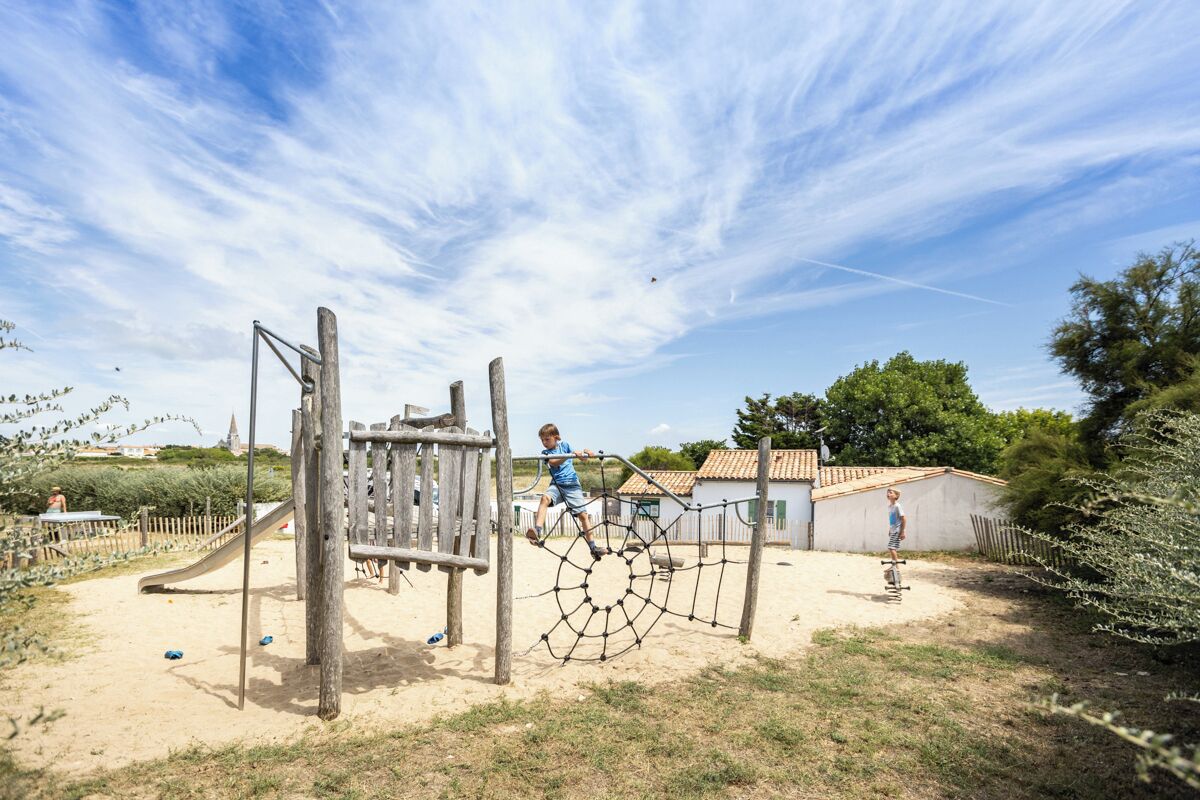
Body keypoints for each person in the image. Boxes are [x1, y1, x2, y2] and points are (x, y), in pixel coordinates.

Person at [526, 423, 607, 560]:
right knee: (545, 498)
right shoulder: (545, 453)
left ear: (556, 437)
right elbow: (553, 462)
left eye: (547, 439)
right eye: (542, 440)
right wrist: (569, 455)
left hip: (572, 485)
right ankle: (537, 531)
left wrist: (586, 453)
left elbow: (583, 459)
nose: (544, 442)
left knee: (583, 516)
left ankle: (593, 547)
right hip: (557, 485)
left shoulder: (565, 445)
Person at [885, 487, 905, 582]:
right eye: (887, 492)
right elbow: (892, 520)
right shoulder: (890, 506)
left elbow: (903, 519)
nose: (888, 494)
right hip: (893, 530)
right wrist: (890, 529)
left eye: (891, 492)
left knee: (891, 547)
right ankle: (894, 565)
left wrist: (902, 531)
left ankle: (896, 567)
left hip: (897, 530)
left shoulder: (897, 506)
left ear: (896, 496)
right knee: (892, 548)